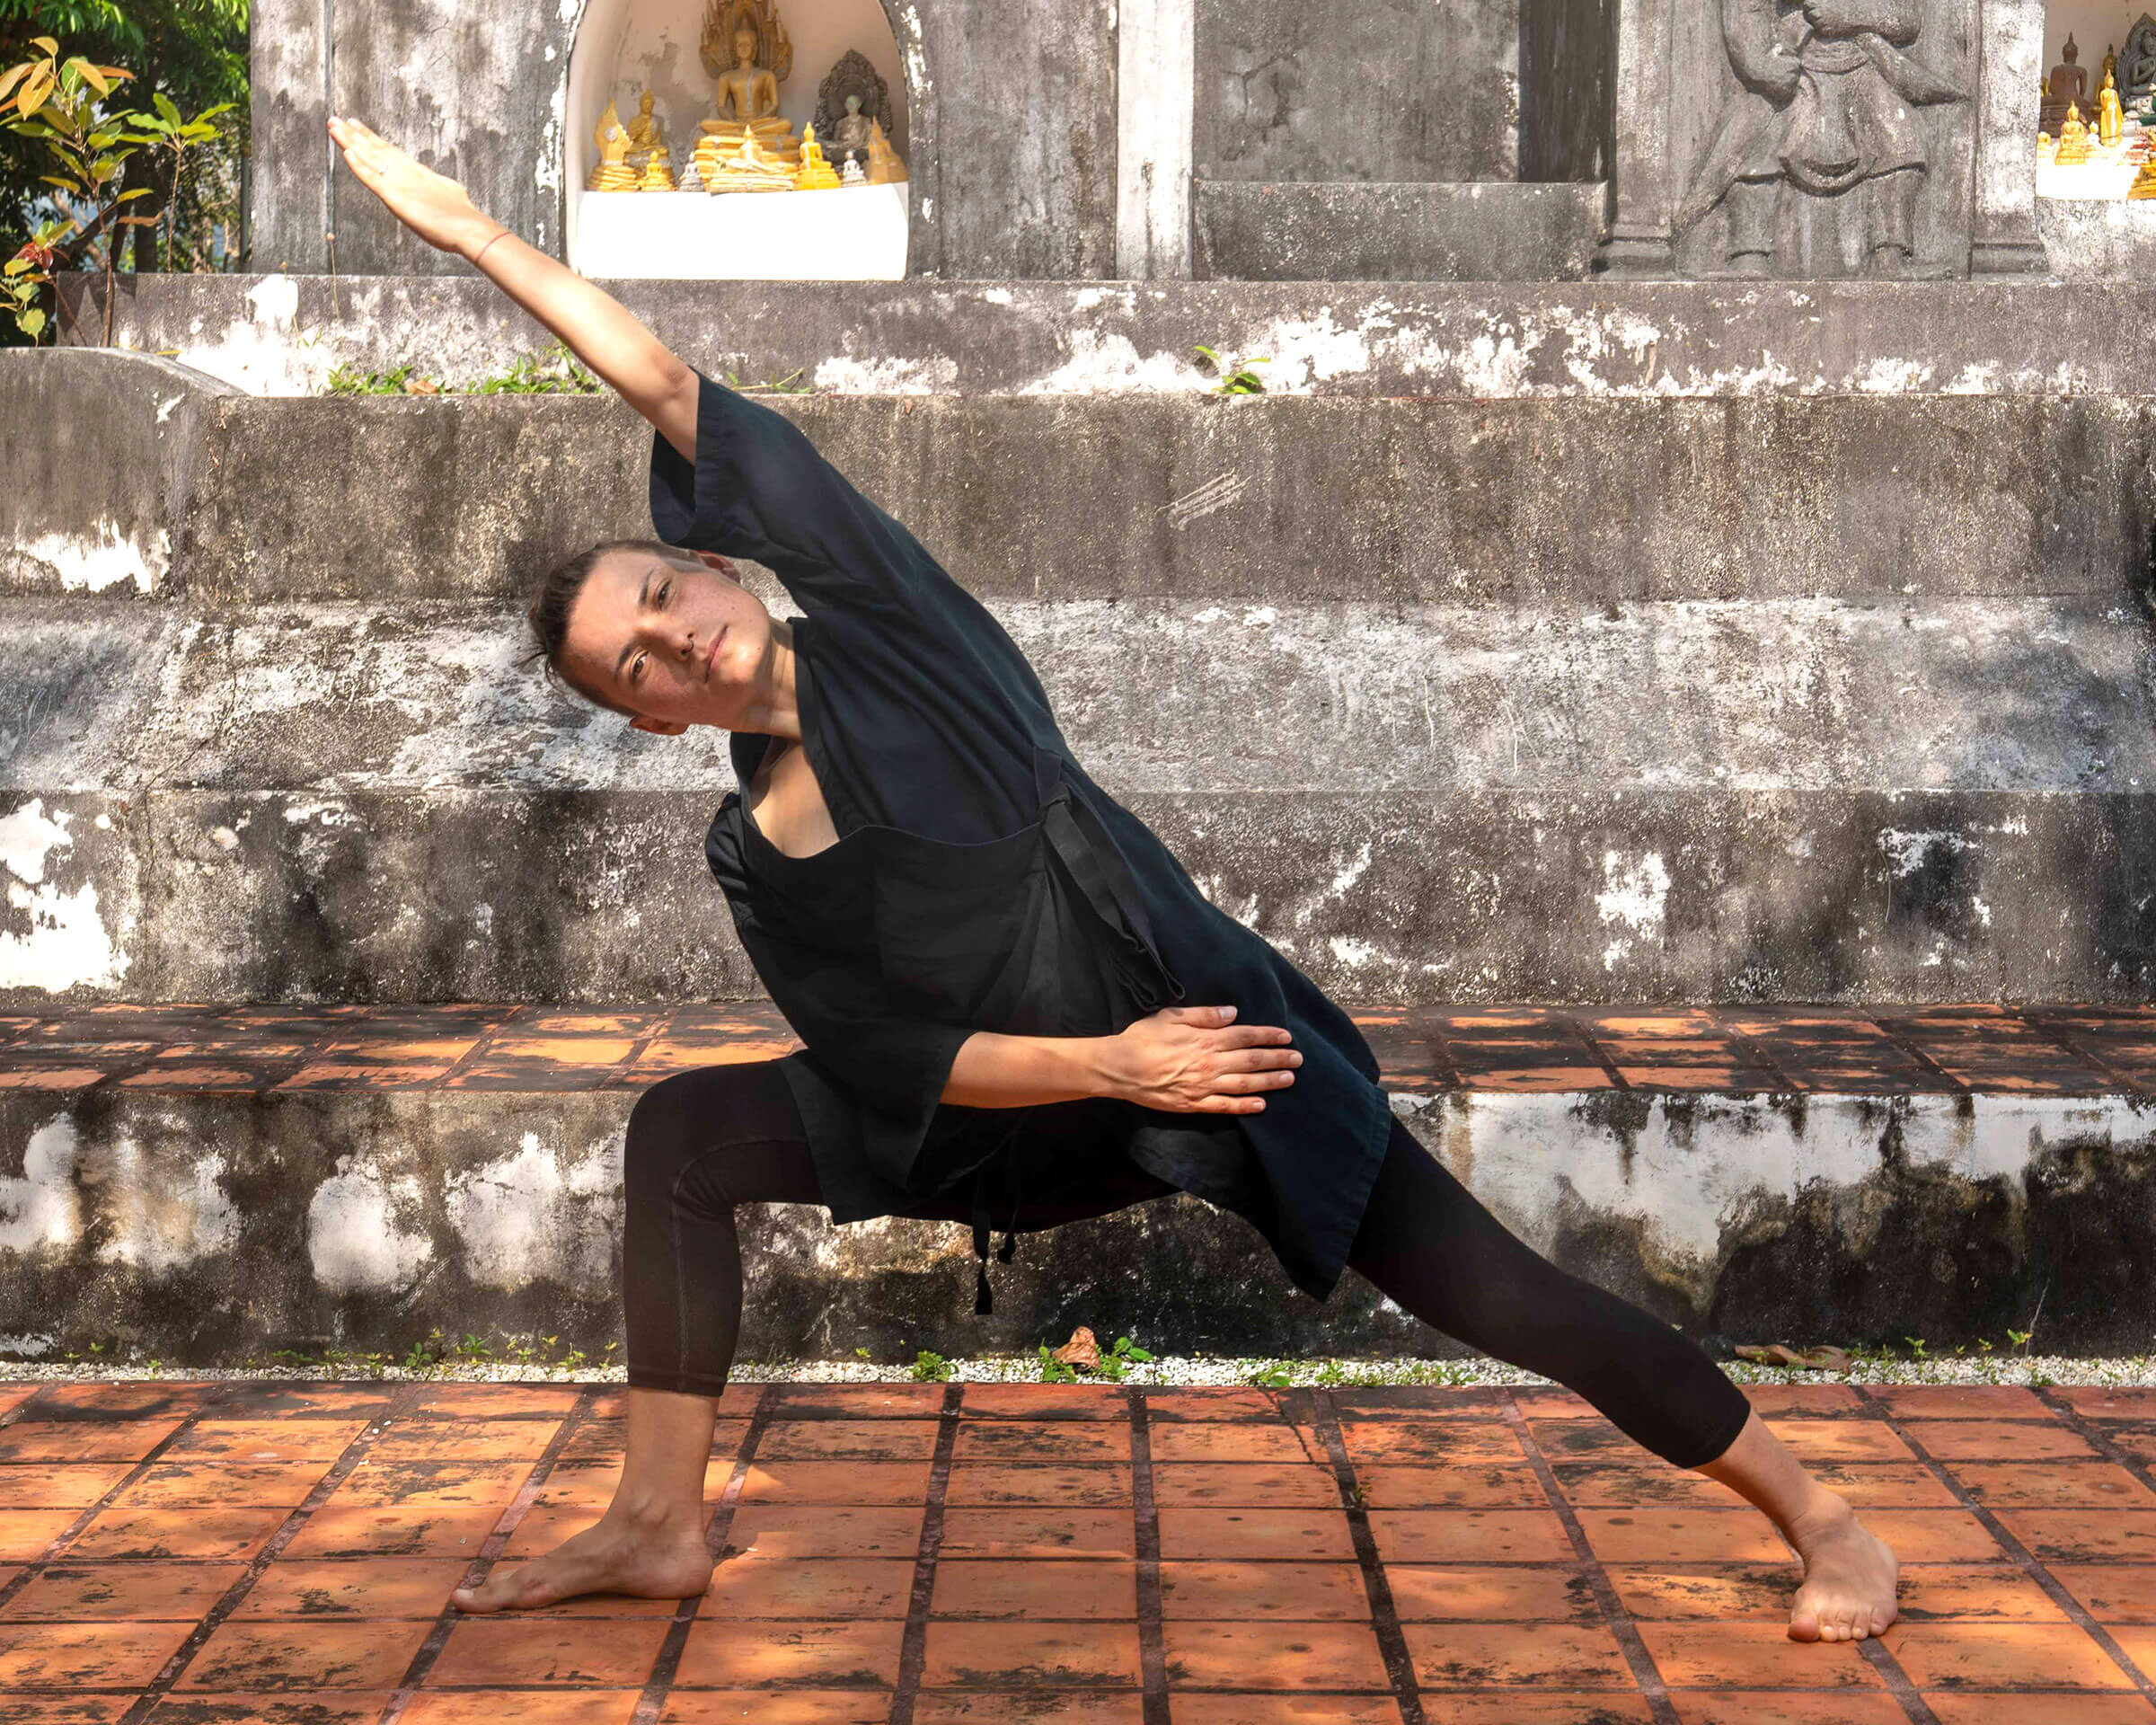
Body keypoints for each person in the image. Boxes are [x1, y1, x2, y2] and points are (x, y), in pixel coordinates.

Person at [325, 112, 1903, 1643]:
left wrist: (470, 235)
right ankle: (659, 1523)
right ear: (647, 715)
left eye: (664, 594)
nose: (675, 640)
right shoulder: (752, 850)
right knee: (682, 1134)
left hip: (1204, 1046)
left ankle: (1825, 1518)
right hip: (1030, 1104)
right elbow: (890, 1060)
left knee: (1486, 1286)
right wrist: (1097, 1064)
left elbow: (666, 382)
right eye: (636, 666)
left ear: (722, 562)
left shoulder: (889, 628)